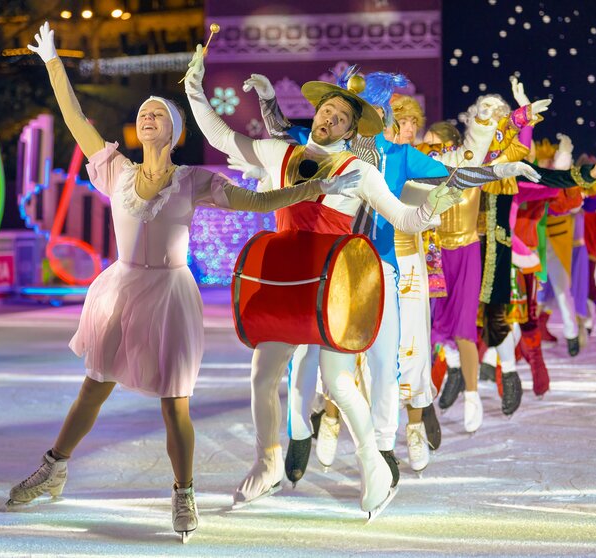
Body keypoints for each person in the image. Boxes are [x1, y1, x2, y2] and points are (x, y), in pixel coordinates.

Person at [7, 23, 360, 543]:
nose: (147, 117)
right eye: (142, 113)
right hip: (120, 292)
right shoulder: (116, 171)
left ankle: (183, 491)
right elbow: (75, 117)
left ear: (173, 131)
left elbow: (257, 202)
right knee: (93, 387)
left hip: (170, 297)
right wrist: (54, 63)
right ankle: (54, 467)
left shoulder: (194, 180)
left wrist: (311, 189)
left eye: (158, 113)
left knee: (174, 403)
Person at [184, 46, 464, 519]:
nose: (329, 119)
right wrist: (194, 88)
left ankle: (374, 467)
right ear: (315, 113)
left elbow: (406, 218)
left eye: (340, 118)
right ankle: (268, 463)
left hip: (333, 287)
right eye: (326, 111)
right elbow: (223, 136)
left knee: (337, 380)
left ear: (351, 132)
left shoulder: (360, 170)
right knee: (262, 375)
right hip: (283, 281)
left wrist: (440, 200)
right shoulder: (280, 152)